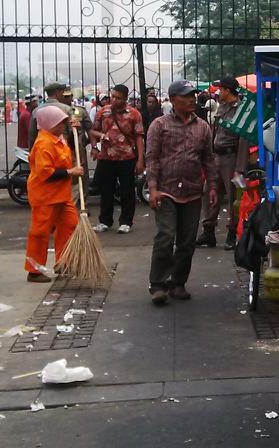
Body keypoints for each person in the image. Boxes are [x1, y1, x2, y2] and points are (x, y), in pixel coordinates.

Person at [146, 80, 217, 304]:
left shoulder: (203, 127)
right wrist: (153, 188)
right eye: (186, 96)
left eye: (192, 96)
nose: (191, 100)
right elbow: (152, 158)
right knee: (165, 236)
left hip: (193, 191)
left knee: (187, 241)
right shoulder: (159, 125)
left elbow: (208, 159)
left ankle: (178, 282)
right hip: (166, 190)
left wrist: (213, 186)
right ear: (173, 99)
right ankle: (157, 284)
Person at [24, 106, 83, 283]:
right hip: (45, 197)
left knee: (70, 225)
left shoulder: (58, 138)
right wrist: (70, 172)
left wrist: (74, 132)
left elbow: (71, 148)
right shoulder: (43, 144)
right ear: (48, 123)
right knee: (40, 232)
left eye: (64, 122)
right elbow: (45, 173)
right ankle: (34, 271)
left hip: (61, 195)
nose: (62, 126)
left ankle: (63, 262)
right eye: (59, 123)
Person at [198, 78, 244, 250]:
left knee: (233, 197)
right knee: (209, 191)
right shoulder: (222, 106)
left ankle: (232, 233)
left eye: (220, 89)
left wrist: (240, 168)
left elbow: (243, 140)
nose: (218, 92)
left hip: (231, 158)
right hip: (216, 157)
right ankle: (208, 231)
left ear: (227, 90)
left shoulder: (240, 110)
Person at [92, 84, 144, 234]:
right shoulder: (103, 111)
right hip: (106, 157)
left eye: (118, 98)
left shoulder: (134, 114)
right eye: (113, 96)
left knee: (127, 190)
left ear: (125, 98)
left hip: (127, 157)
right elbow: (93, 130)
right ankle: (105, 221)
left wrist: (140, 159)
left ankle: (126, 221)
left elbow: (139, 137)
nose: (114, 100)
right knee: (106, 190)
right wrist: (96, 144)